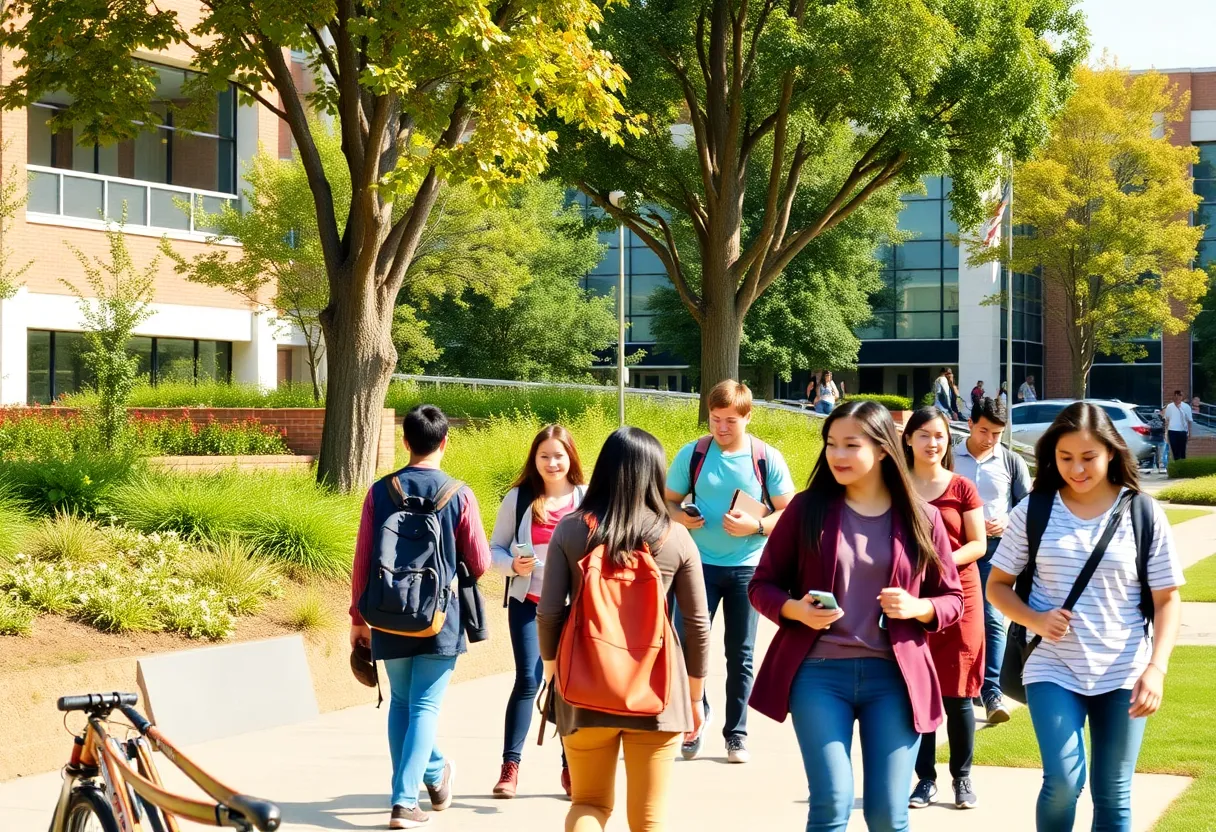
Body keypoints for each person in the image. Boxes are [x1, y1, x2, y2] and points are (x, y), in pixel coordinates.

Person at [749, 400, 964, 832]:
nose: (837, 455)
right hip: (819, 674)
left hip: (895, 678)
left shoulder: (924, 517)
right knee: (832, 803)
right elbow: (762, 585)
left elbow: (952, 599)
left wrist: (919, 607)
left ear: (884, 448)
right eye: (831, 444)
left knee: (887, 813)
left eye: (851, 445)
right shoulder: (806, 509)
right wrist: (794, 609)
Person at [986, 402, 1183, 831]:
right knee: (1062, 780)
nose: (1077, 468)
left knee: (1113, 792)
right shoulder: (1033, 512)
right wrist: (1035, 620)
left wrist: (1157, 669)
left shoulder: (1143, 513)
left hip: (1125, 668)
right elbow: (996, 586)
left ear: (1112, 452)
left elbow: (1167, 599)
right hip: (1052, 667)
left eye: (1088, 457)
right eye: (1065, 457)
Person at [537, 427, 711, 832]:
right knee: (649, 820)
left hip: (583, 689)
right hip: (658, 693)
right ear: (656, 474)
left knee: (589, 804)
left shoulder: (571, 528)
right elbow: (698, 625)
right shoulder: (676, 538)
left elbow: (548, 613)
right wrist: (697, 695)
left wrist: (551, 669)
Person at [349, 405, 491, 830]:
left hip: (388, 612)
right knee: (425, 706)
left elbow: (363, 559)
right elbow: (481, 561)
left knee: (402, 703)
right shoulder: (458, 494)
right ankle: (403, 801)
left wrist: (358, 618)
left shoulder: (379, 491)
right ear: (445, 442)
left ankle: (432, 776)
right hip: (438, 614)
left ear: (406, 442)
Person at [666, 380, 796, 764]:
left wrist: (755, 527)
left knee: (740, 655)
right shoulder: (693, 454)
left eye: (730, 421)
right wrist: (681, 518)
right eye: (715, 419)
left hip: (747, 569)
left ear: (748, 417)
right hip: (696, 566)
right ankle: (695, 719)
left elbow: (788, 512)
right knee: (690, 646)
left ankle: (736, 734)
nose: (721, 428)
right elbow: (667, 502)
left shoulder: (765, 457)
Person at [489, 425, 586, 799]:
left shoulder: (587, 498)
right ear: (534, 459)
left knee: (569, 686)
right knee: (528, 682)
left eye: (559, 455)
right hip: (528, 605)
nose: (552, 463)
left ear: (570, 457)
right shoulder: (518, 498)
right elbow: (493, 550)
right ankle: (509, 768)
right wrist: (514, 565)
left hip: (575, 609)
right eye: (544, 456)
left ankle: (571, 767)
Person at [902, 408, 987, 811]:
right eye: (923, 435)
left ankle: (962, 777)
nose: (932, 443)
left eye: (939, 435)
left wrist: (941, 560)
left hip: (960, 598)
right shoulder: (896, 486)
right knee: (919, 692)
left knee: (958, 694)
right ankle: (925, 780)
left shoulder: (963, 487)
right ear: (908, 440)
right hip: (912, 597)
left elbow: (978, 544)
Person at [952, 397, 1031, 726]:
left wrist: (1008, 520)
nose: (990, 439)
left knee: (992, 619)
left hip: (996, 549)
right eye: (984, 430)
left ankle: (992, 690)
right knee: (954, 617)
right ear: (970, 424)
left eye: (997, 433)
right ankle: (960, 685)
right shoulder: (948, 457)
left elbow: (1029, 506)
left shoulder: (1011, 462)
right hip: (954, 548)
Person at [1161, 390, 1193, 465]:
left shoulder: (1186, 407)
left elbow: (1189, 420)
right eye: (1176, 395)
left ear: (1182, 397)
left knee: (1182, 450)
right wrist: (1166, 432)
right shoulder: (1170, 406)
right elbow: (1167, 420)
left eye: (1179, 396)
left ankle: (1182, 466)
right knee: (1174, 450)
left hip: (1182, 431)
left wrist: (1189, 432)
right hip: (1172, 431)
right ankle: (1177, 465)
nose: (1177, 397)